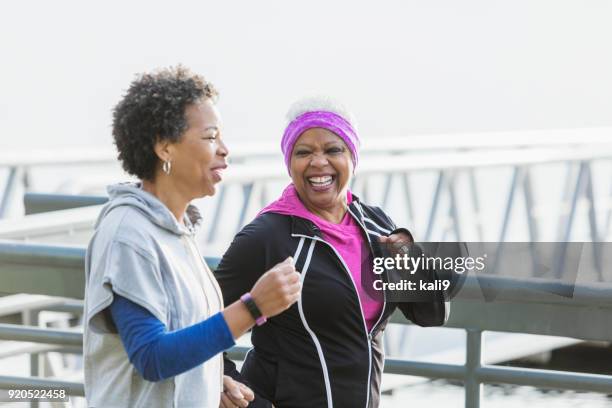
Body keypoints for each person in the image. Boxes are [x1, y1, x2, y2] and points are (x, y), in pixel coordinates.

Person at [83, 66, 302, 408]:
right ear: (164, 147)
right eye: (211, 136)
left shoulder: (176, 231)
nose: (224, 149)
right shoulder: (128, 235)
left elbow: (177, 345)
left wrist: (211, 380)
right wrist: (254, 307)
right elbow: (152, 356)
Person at [215, 97, 450, 408]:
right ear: (290, 163)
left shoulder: (375, 224)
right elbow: (198, 319)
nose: (318, 162)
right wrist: (226, 383)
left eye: (332, 150)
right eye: (304, 152)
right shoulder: (267, 236)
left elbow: (431, 314)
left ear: (352, 157)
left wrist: (408, 254)